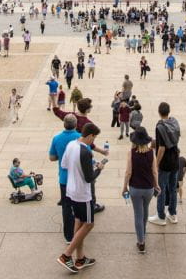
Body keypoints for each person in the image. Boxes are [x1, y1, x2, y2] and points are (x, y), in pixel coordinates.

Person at [58, 123, 104, 272]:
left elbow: (64, 164)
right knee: (89, 224)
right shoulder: (86, 152)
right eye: (94, 137)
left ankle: (80, 258)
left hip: (71, 190)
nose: (94, 141)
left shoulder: (71, 144)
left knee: (79, 222)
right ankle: (66, 255)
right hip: (83, 194)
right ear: (90, 136)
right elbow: (89, 178)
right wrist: (99, 169)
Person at [122, 127, 158, 254]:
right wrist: (156, 185)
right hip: (148, 188)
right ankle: (143, 231)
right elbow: (154, 171)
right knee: (146, 209)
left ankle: (141, 241)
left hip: (135, 188)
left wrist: (124, 187)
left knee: (138, 213)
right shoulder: (151, 152)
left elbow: (128, 172)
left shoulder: (131, 153)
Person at [50, 114, 82, 243]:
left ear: (64, 124)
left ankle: (68, 236)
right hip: (78, 178)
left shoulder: (57, 138)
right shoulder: (80, 138)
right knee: (79, 206)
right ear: (75, 124)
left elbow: (52, 158)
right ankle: (79, 232)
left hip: (64, 178)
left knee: (66, 207)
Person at [148, 102, 181, 226]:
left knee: (160, 189)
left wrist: (156, 164)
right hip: (175, 159)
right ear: (169, 111)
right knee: (173, 189)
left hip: (165, 162)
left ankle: (161, 216)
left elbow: (161, 148)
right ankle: (172, 214)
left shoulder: (160, 127)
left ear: (159, 112)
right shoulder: (175, 122)